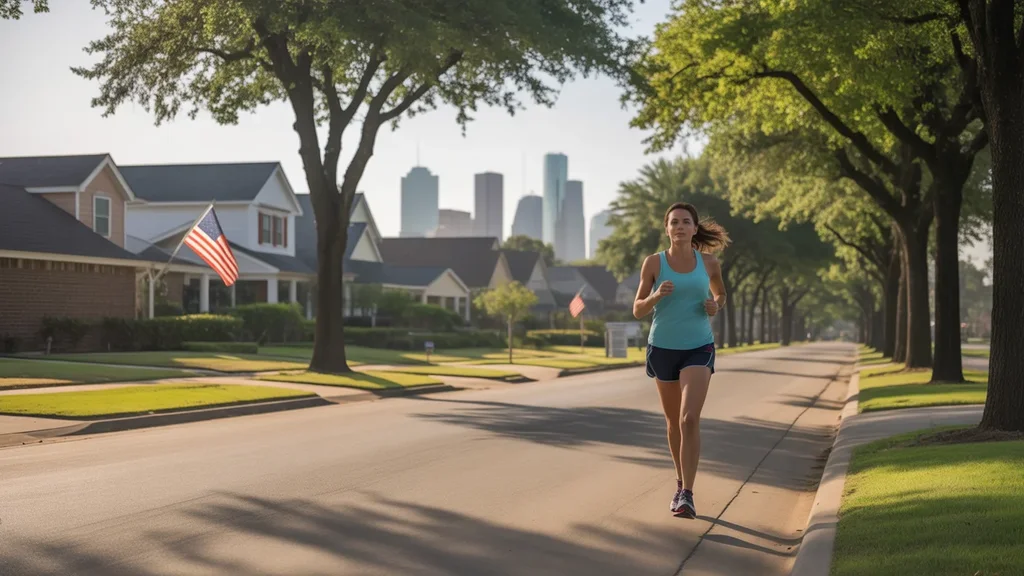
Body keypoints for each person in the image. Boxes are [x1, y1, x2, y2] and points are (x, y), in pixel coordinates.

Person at [632, 201, 729, 518]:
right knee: (673, 423)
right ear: (667, 228)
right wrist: (657, 295)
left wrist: (715, 304)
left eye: (686, 221)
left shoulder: (709, 263)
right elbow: (637, 309)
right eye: (674, 222)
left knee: (689, 419)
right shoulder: (654, 264)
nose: (679, 226)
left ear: (694, 228)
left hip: (698, 346)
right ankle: (679, 483)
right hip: (662, 347)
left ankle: (687, 493)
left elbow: (720, 294)